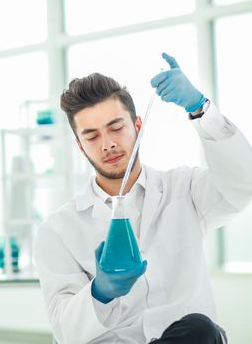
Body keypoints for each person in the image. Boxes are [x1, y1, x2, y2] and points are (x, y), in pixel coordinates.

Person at [33, 53, 252, 343]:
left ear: (137, 125)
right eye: (92, 136)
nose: (108, 143)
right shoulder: (58, 230)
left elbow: (243, 184)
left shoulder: (183, 189)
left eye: (116, 127)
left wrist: (201, 109)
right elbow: (65, 332)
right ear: (79, 145)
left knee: (200, 329)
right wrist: (100, 293)